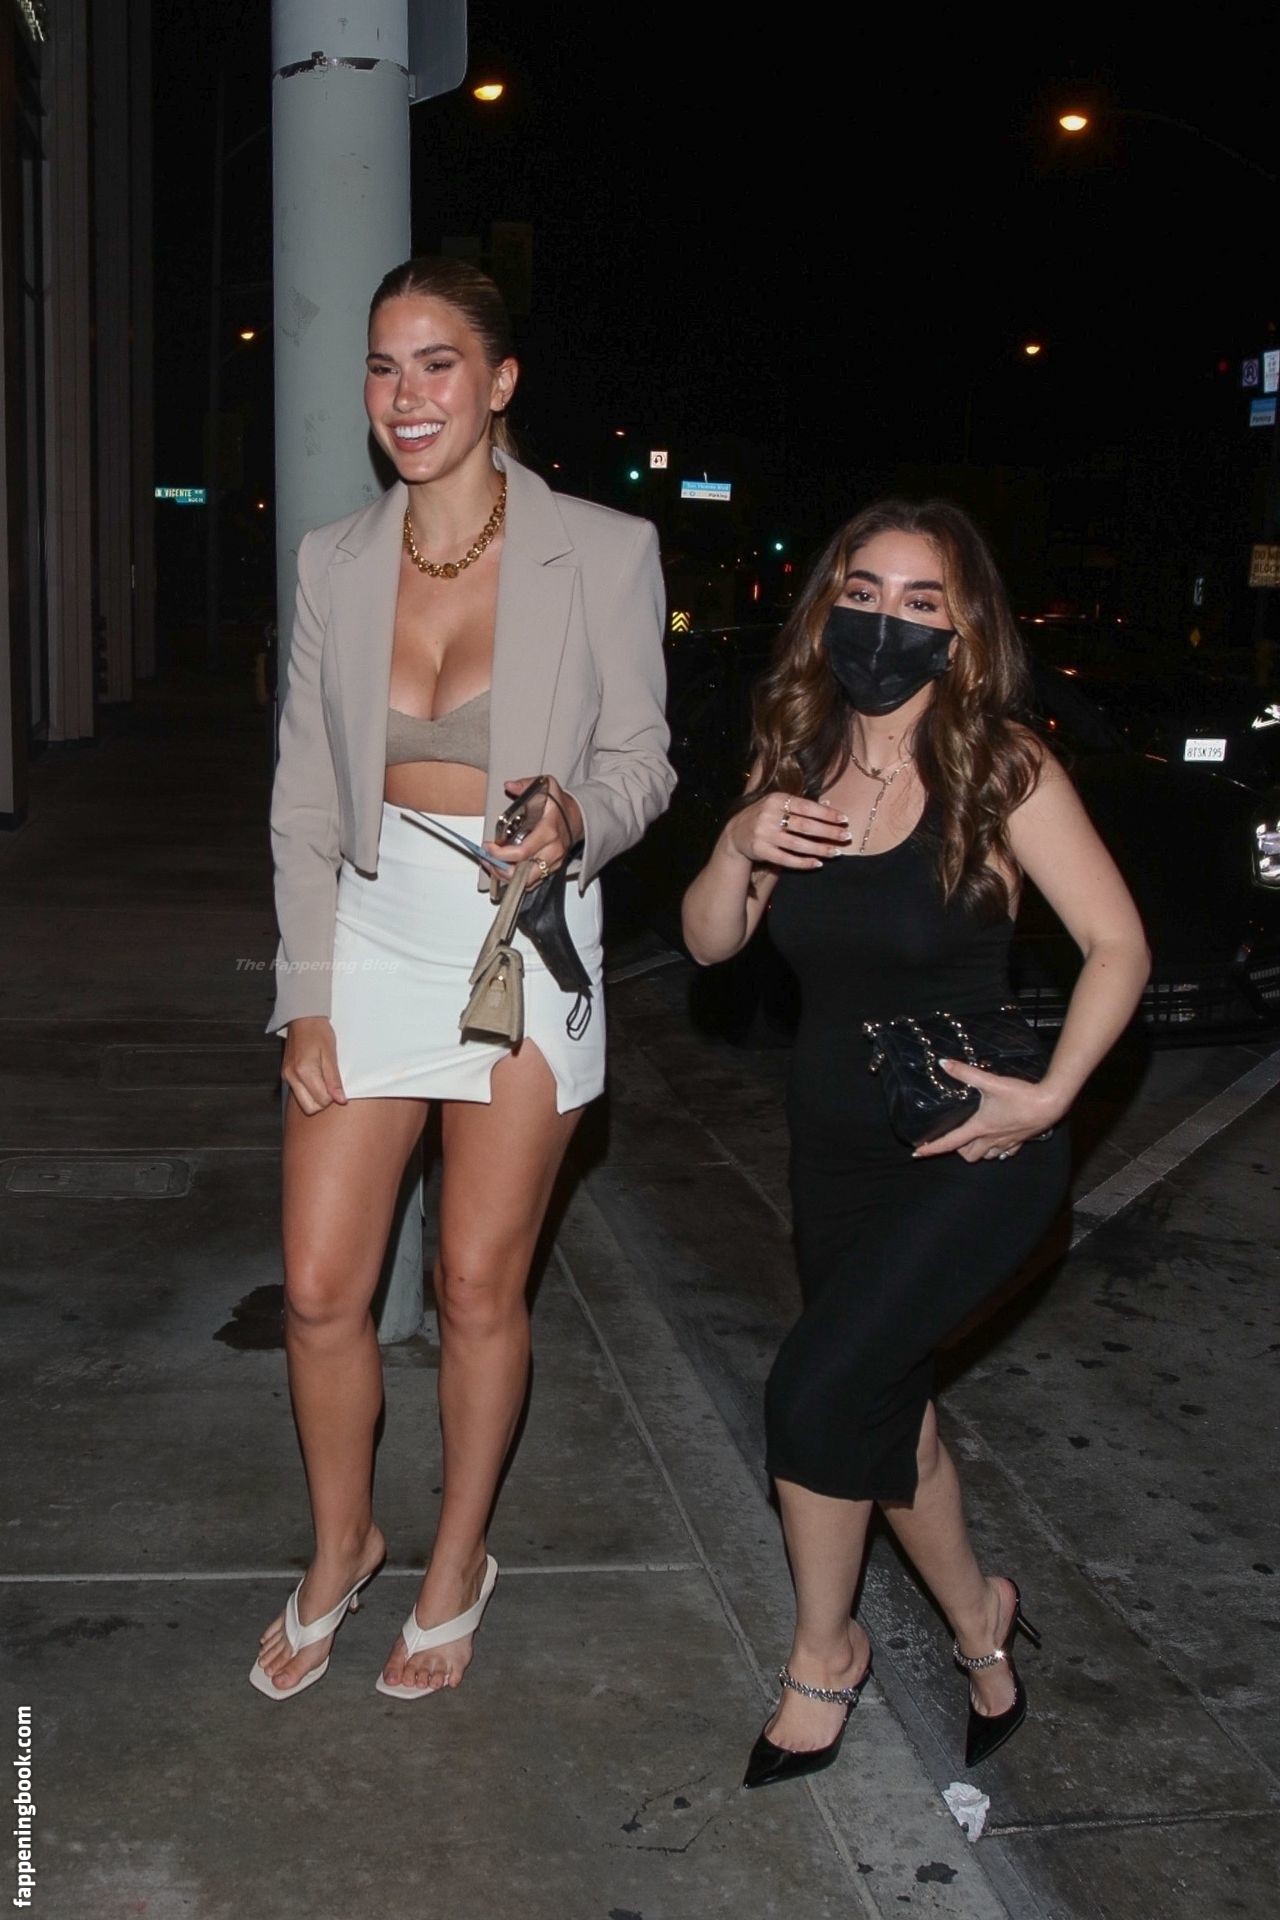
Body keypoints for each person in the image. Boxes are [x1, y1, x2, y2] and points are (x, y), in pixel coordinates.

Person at [250, 257, 674, 1702]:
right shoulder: (334, 560)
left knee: (476, 1285)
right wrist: (308, 992)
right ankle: (345, 1541)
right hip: (370, 930)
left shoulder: (602, 550)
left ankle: (456, 1557)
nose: (406, 394)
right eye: (383, 365)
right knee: (321, 1290)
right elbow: (305, 795)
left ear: (499, 381)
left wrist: (580, 817)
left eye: (438, 363)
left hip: (518, 940)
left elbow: (644, 759)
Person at [680, 499, 1149, 1787]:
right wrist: (734, 838)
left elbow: (1118, 945)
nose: (887, 621)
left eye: (921, 601)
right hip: (833, 1146)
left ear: (964, 629)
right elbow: (713, 943)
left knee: (815, 1393)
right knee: (889, 1412)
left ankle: (823, 1652)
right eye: (865, 593)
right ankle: (981, 1622)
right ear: (828, 605)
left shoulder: (1003, 766)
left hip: (975, 1141)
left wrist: (1052, 1098)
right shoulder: (794, 753)